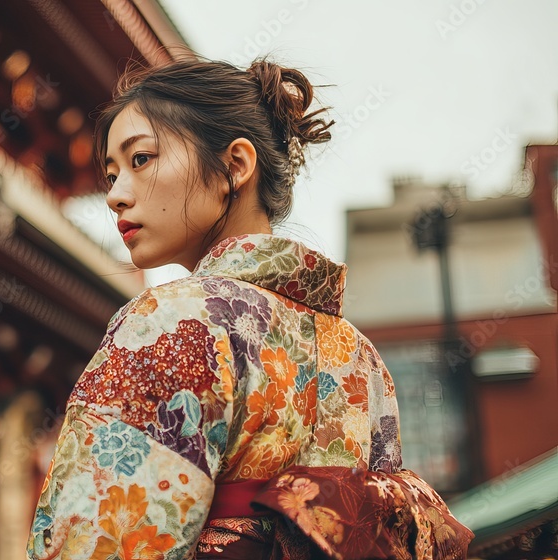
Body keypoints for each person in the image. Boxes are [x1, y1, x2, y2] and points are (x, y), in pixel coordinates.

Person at [26, 57, 473, 559]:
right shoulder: (360, 358)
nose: (114, 195)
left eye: (141, 159)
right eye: (111, 175)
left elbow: (97, 541)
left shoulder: (172, 321)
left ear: (235, 166)